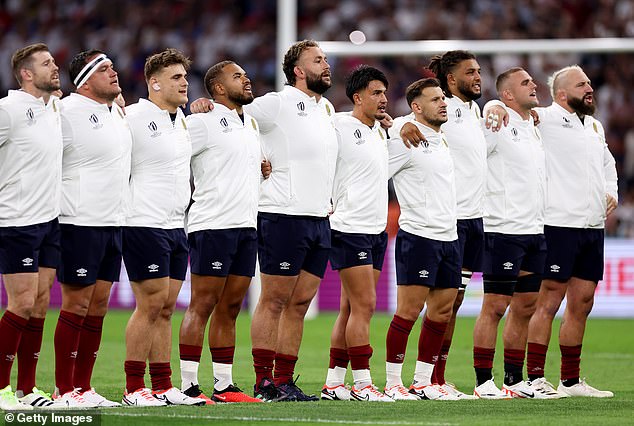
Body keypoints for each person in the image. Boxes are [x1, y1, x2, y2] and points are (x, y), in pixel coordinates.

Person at [394, 51, 506, 399]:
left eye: (479, 70)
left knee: (453, 303)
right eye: (470, 72)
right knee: (439, 302)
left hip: (475, 219)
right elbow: (400, 120)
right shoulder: (439, 110)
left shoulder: (474, 110)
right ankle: (424, 377)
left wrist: (493, 107)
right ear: (452, 79)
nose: (478, 76)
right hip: (449, 220)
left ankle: (436, 378)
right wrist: (401, 125)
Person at [249, 40, 337, 402]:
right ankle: (262, 382)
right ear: (299, 71)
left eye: (325, 59)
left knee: (300, 304)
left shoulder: (327, 108)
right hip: (283, 216)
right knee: (274, 301)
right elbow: (233, 120)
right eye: (318, 60)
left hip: (318, 218)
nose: (326, 65)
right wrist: (256, 158)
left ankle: (284, 380)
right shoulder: (276, 103)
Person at [521, 65, 617, 398]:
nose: (590, 88)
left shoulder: (593, 125)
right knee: (548, 301)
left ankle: (571, 381)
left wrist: (612, 191)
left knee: (583, 302)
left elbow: (608, 164)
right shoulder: (542, 119)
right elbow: (507, 109)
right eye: (582, 84)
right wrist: (492, 108)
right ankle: (534, 378)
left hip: (592, 226)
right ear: (562, 94)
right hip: (558, 224)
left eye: (590, 82)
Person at [121, 48, 204, 407]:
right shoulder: (133, 116)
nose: (185, 82)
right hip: (143, 222)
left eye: (185, 76)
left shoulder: (182, 121)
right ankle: (133, 388)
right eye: (176, 77)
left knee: (167, 308)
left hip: (175, 225)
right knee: (150, 305)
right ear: (154, 83)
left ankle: (162, 385)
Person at [177, 60, 263, 404]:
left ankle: (225, 386)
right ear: (217, 88)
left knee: (230, 307)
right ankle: (186, 384)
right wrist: (188, 112)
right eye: (237, 76)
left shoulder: (251, 123)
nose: (246, 79)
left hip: (246, 226)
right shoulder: (201, 121)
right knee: (202, 304)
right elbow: (171, 154)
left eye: (245, 73)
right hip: (212, 225)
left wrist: (262, 169)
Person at [473, 67, 560, 399]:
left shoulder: (531, 125)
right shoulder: (497, 119)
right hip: (503, 228)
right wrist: (490, 107)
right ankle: (483, 380)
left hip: (534, 229)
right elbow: (475, 149)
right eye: (525, 83)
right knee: (494, 306)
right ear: (507, 94)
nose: (534, 84)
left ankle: (513, 379)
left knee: (526, 306)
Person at [53, 49, 131, 408]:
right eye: (105, 69)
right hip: (79, 221)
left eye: (113, 66)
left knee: (98, 306)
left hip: (113, 221)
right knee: (77, 304)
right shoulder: (65, 112)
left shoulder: (116, 111)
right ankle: (63, 389)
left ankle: (83, 388)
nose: (114, 72)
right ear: (84, 80)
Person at [320, 65, 394, 402]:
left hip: (375, 229)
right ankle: (363, 382)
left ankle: (335, 382)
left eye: (384, 93)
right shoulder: (337, 124)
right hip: (349, 228)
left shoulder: (381, 131)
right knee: (365, 305)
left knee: (351, 309)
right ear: (357, 97)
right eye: (376, 93)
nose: (383, 99)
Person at [384, 78, 460, 401]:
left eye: (443, 97)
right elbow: (373, 172)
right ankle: (391, 383)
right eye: (435, 99)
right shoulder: (405, 139)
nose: (443, 103)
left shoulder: (441, 139)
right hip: (418, 236)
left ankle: (423, 382)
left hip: (449, 237)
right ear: (416, 108)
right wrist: (399, 126)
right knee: (409, 311)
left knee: (442, 312)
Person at [0, 43, 63, 410]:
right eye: (46, 63)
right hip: (16, 221)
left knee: (39, 305)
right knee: (21, 303)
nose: (54, 67)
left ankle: (27, 388)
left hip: (48, 221)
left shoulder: (52, 107)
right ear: (26, 73)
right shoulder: (8, 110)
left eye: (54, 61)